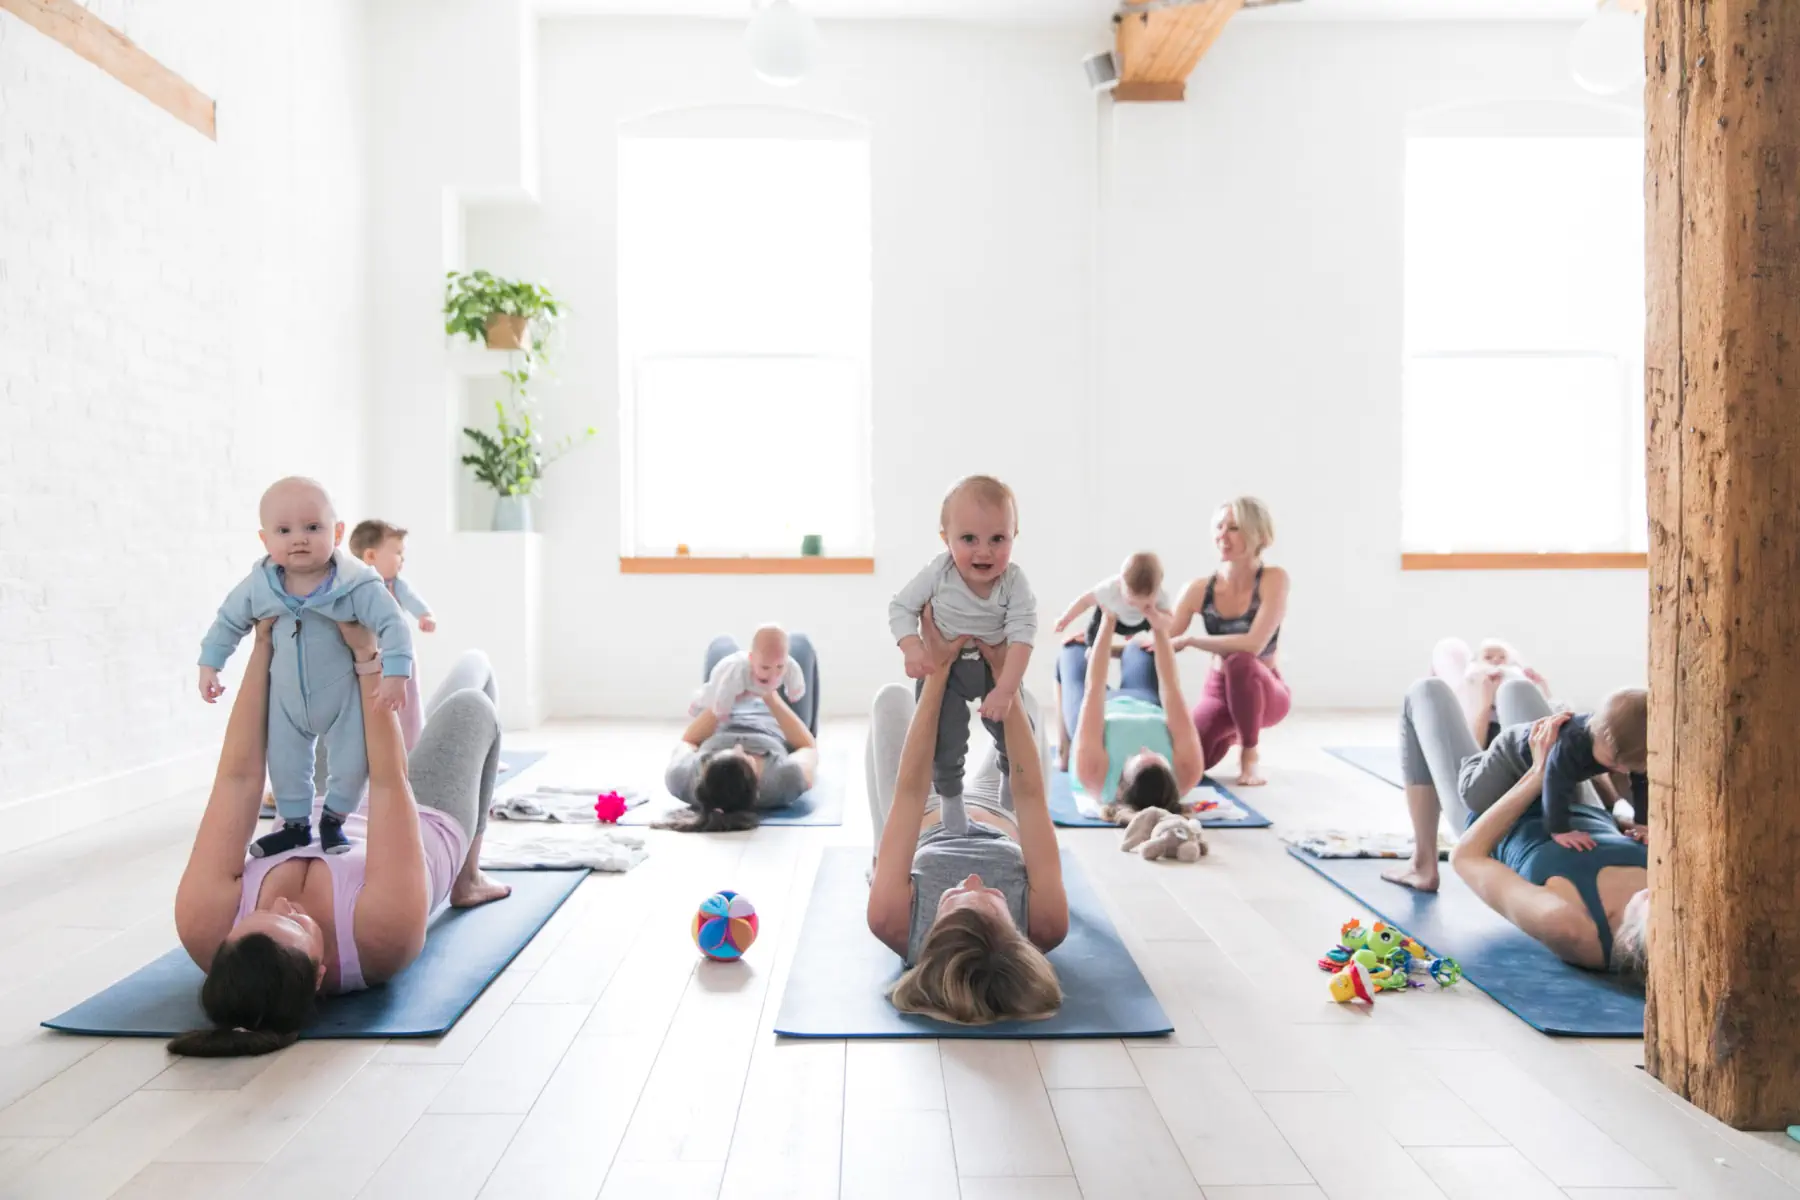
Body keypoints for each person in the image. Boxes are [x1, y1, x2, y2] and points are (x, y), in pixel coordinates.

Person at [171, 619, 512, 1056]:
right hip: (423, 815)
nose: (281, 903)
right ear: (320, 975)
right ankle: (469, 878)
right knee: (472, 701)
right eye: (296, 921)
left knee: (327, 677)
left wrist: (263, 646)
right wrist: (368, 661)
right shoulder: (384, 935)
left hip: (322, 803)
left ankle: (406, 712)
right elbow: (390, 780)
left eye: (259, 914)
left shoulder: (204, 925)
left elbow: (237, 778)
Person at [867, 607, 1067, 1024]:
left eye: (954, 895)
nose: (973, 879)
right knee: (1028, 704)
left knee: (891, 700)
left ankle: (881, 858)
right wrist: (1002, 679)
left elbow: (909, 791)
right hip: (1002, 808)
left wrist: (937, 674)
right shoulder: (1045, 925)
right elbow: (1030, 796)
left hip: (924, 811)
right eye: (992, 895)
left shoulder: (892, 922)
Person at [199, 478, 414, 858]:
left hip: (343, 699)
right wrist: (210, 664)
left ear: (338, 533)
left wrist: (396, 674)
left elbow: (392, 623)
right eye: (284, 531)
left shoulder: (356, 584)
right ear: (265, 539)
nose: (299, 539)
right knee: (285, 765)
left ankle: (333, 820)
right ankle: (295, 827)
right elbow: (228, 621)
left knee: (352, 764)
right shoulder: (260, 586)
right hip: (286, 702)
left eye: (313, 527)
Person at [1382, 676, 1649, 976]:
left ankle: (1423, 864)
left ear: (1631, 944)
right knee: (1517, 689)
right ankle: (1491, 712)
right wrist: (1630, 823)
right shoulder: (1673, 890)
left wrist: (1537, 774)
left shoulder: (1572, 926)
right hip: (1572, 803)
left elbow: (1466, 857)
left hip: (1495, 817)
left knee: (1427, 692)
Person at [887, 475, 1037, 802]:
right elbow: (901, 607)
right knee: (945, 738)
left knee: (1016, 729)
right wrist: (912, 647)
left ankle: (1009, 775)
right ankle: (951, 795)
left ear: (1014, 536)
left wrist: (1005, 690)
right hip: (947, 670)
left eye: (998, 539)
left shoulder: (1014, 582)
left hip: (993, 670)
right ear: (946, 539)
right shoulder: (938, 573)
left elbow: (1023, 636)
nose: (984, 551)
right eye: (969, 539)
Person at [1166, 496, 1290, 787]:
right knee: (1186, 766)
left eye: (1233, 528)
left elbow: (1253, 645)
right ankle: (1232, 728)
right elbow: (1161, 641)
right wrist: (1102, 642)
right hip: (1218, 693)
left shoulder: (1274, 579)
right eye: (1219, 527)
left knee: (1240, 661)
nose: (1222, 535)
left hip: (1265, 690)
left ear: (1259, 535)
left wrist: (1193, 640)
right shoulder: (1198, 589)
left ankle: (1249, 754)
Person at [1055, 609, 1205, 823]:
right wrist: (1159, 628)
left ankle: (1064, 749)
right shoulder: (1187, 772)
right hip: (1145, 702)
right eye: (1156, 754)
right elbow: (1170, 686)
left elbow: (1094, 687)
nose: (1144, 748)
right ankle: (1126, 650)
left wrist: (1108, 620)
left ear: (1121, 785)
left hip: (1098, 709)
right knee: (1141, 648)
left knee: (1072, 649)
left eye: (1138, 756)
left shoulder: (1095, 776)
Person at [660, 632, 820, 832]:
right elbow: (807, 746)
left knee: (721, 644)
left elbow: (689, 740)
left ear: (705, 769)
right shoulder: (784, 780)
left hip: (722, 712)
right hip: (778, 718)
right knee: (799, 643)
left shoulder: (682, 778)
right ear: (757, 782)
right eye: (746, 756)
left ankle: (745, 669)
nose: (738, 746)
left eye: (718, 754)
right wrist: (770, 697)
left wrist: (725, 700)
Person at [350, 518, 438, 750]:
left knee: (408, 702)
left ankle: (411, 745)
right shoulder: (354, 586)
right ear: (370, 556)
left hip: (399, 655)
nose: (403, 559)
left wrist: (425, 615)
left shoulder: (395, 585)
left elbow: (412, 600)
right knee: (372, 704)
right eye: (398, 552)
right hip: (371, 659)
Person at [1430, 636, 1551, 750]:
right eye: (1488, 657)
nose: (1496, 660)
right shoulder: (1472, 698)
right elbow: (1476, 748)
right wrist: (1486, 704)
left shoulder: (1514, 682)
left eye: (1502, 657)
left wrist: (1542, 686)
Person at [1051, 551, 1170, 649]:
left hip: (1141, 622)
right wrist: (1065, 619)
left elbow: (1170, 621)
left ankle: (1151, 639)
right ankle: (1091, 646)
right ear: (1120, 584)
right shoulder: (1110, 588)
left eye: (1146, 604)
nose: (1137, 607)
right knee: (1098, 619)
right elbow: (1085, 601)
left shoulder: (1161, 595)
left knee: (1159, 623)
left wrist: (1157, 617)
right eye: (1132, 602)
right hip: (1115, 618)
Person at [689, 623, 807, 720]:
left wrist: (795, 692)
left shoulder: (787, 663)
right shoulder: (738, 671)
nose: (773, 673)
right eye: (765, 667)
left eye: (780, 666)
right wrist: (722, 712)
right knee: (710, 695)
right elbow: (725, 690)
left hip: (758, 699)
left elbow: (795, 675)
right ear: (751, 659)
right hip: (724, 678)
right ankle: (696, 703)